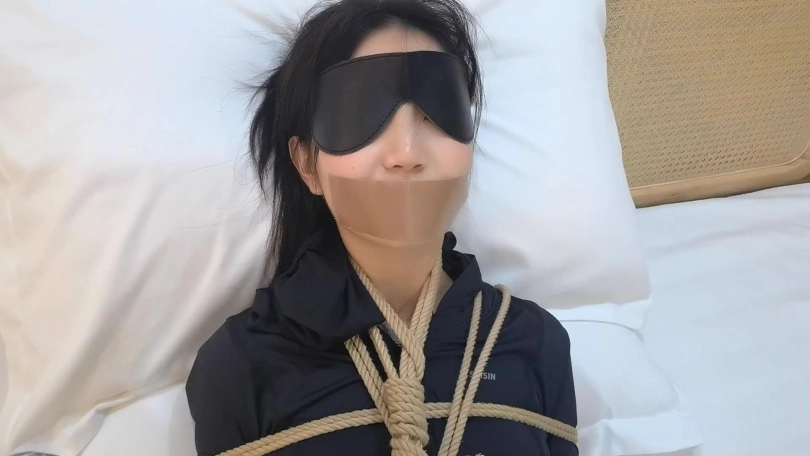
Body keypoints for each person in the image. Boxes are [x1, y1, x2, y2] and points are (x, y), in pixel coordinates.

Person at [185, 0, 578, 455]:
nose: (406, 153)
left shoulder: (534, 339)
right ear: (307, 164)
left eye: (436, 113)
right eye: (362, 114)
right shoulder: (242, 362)